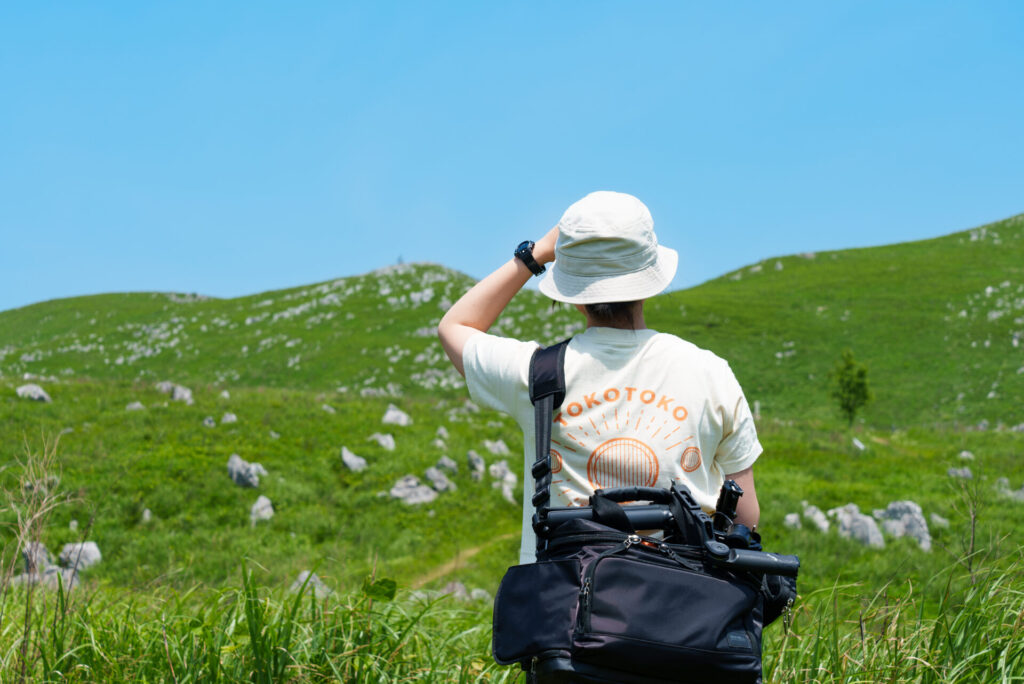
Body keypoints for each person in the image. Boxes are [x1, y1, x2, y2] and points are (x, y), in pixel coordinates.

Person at [438, 191, 761, 563]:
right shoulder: (710, 372)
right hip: (687, 609)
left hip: (563, 609)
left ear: (574, 295)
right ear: (651, 279)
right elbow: (745, 519)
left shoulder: (535, 373)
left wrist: (536, 254)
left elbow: (454, 326)